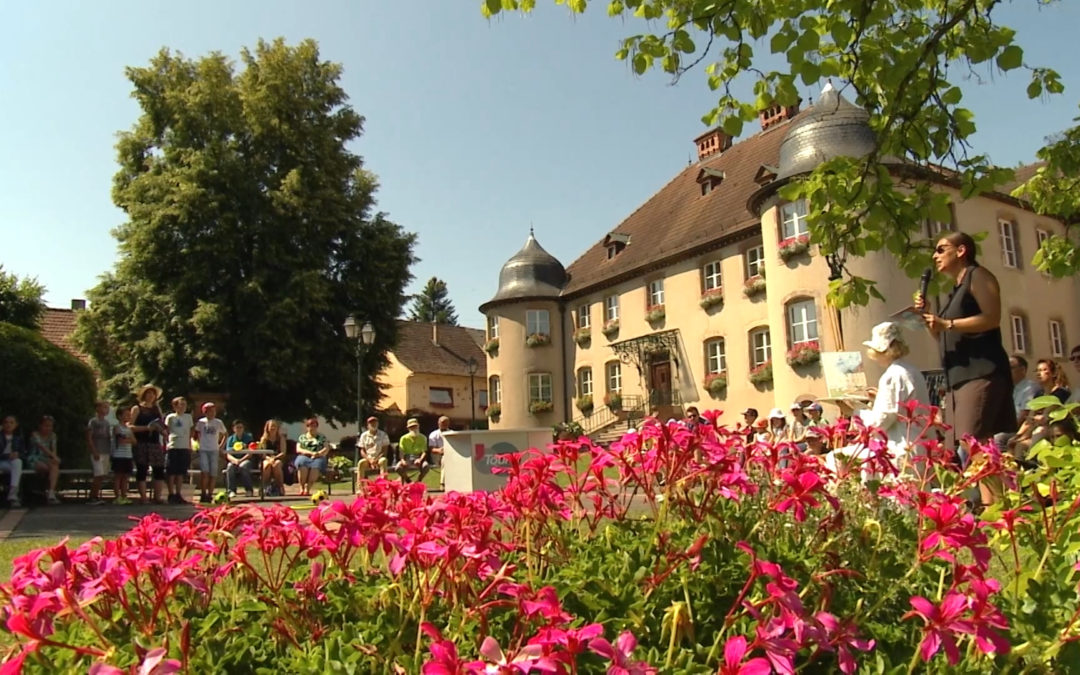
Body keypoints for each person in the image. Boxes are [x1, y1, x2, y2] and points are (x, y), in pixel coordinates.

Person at [918, 232, 1016, 457]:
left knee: (974, 444)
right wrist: (929, 318)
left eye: (941, 249)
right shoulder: (955, 292)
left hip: (980, 373)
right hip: (959, 377)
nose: (935, 256)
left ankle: (997, 492)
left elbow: (992, 317)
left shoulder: (978, 276)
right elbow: (942, 336)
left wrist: (947, 323)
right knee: (972, 448)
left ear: (961, 251)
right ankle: (993, 493)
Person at [130, 384, 166, 504]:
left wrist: (163, 430)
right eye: (148, 393)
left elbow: (161, 424)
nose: (151, 396)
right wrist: (146, 428)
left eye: (153, 394)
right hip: (141, 442)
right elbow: (130, 427)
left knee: (159, 469)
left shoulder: (157, 409)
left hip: (155, 443)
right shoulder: (137, 408)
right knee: (142, 469)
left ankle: (157, 497)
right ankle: (143, 497)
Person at [195, 403, 228, 503]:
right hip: (204, 449)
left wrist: (221, 445)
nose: (212, 413)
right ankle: (203, 493)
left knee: (213, 473)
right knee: (205, 472)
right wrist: (198, 443)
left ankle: (210, 494)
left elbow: (225, 434)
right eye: (210, 411)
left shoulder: (218, 422)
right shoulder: (201, 422)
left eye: (214, 411)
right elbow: (197, 433)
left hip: (214, 449)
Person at [164, 396, 194, 504]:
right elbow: (166, 431)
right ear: (175, 406)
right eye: (181, 404)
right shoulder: (170, 417)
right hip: (173, 446)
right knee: (171, 471)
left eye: (184, 405)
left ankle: (178, 493)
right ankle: (171, 493)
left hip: (184, 446)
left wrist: (190, 445)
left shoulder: (188, 417)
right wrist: (166, 442)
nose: (183, 407)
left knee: (181, 472)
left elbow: (190, 431)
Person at [28, 416, 62, 505]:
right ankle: (42, 490)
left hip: (47, 458)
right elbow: (42, 447)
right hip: (35, 458)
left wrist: (54, 457)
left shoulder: (53, 436)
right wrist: (53, 457)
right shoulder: (35, 434)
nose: (48, 428)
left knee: (54, 466)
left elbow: (54, 449)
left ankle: (51, 492)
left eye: (50, 426)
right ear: (40, 426)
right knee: (47, 468)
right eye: (46, 426)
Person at [86, 401, 113, 505]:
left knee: (102, 475)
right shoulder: (93, 422)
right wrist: (94, 451)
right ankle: (92, 497)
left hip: (105, 450)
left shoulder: (107, 423)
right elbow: (89, 437)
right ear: (97, 408)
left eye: (107, 408)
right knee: (98, 474)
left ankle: (96, 496)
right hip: (97, 451)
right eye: (104, 407)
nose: (106, 409)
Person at [295, 418, 330, 497]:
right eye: (310, 426)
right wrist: (310, 453)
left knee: (316, 466)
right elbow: (298, 449)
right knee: (302, 463)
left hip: (318, 457)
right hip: (305, 455)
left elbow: (326, 448)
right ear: (307, 427)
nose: (312, 428)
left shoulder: (321, 437)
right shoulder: (302, 437)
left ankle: (308, 488)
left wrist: (318, 453)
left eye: (314, 426)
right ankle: (302, 487)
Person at [225, 420, 256, 498]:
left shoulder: (248, 437)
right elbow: (228, 454)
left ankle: (249, 490)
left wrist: (241, 460)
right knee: (229, 467)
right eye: (237, 427)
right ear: (233, 429)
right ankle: (231, 491)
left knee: (243, 466)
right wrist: (235, 460)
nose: (239, 429)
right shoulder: (230, 439)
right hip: (234, 460)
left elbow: (250, 453)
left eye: (241, 427)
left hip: (245, 460)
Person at [1009, 356, 1042, 426]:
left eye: (1011, 368)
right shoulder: (1008, 389)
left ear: (1022, 369)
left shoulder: (1030, 387)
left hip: (1015, 430)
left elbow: (1024, 415)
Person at [0, 416, 25, 508]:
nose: (8, 425)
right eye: (6, 422)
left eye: (11, 422)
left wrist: (17, 455)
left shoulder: (18, 438)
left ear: (15, 425)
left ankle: (13, 495)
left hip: (10, 463)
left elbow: (24, 454)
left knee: (18, 462)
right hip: (1, 461)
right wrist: (7, 455)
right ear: (2, 425)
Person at [112, 407, 135, 505]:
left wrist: (128, 439)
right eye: (126, 415)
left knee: (126, 477)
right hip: (118, 455)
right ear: (119, 416)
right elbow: (120, 440)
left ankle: (124, 496)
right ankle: (117, 497)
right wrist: (127, 439)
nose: (128, 416)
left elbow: (134, 441)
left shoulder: (128, 428)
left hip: (128, 455)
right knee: (118, 477)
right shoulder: (117, 427)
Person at [397, 418, 430, 484]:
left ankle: (418, 481)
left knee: (426, 466)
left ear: (418, 426)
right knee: (398, 468)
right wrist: (402, 460)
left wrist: (420, 459)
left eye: (415, 426)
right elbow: (401, 451)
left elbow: (424, 452)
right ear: (408, 428)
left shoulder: (423, 437)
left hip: (418, 457)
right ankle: (408, 480)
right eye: (411, 427)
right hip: (407, 457)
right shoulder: (403, 438)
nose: (413, 428)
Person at [259, 420, 287, 495]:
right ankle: (264, 486)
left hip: (278, 458)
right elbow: (262, 453)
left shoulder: (281, 438)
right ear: (267, 427)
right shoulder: (264, 439)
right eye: (271, 426)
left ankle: (280, 486)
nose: (273, 428)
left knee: (277, 465)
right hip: (266, 458)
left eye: (274, 426)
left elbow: (283, 452)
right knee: (266, 465)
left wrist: (274, 458)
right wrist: (269, 459)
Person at [427, 416, 450, 489]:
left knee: (446, 459)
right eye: (442, 423)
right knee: (445, 460)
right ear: (438, 423)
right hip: (436, 456)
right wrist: (440, 450)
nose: (444, 424)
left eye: (446, 423)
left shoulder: (452, 433)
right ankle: (442, 483)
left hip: (450, 455)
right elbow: (431, 449)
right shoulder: (433, 434)